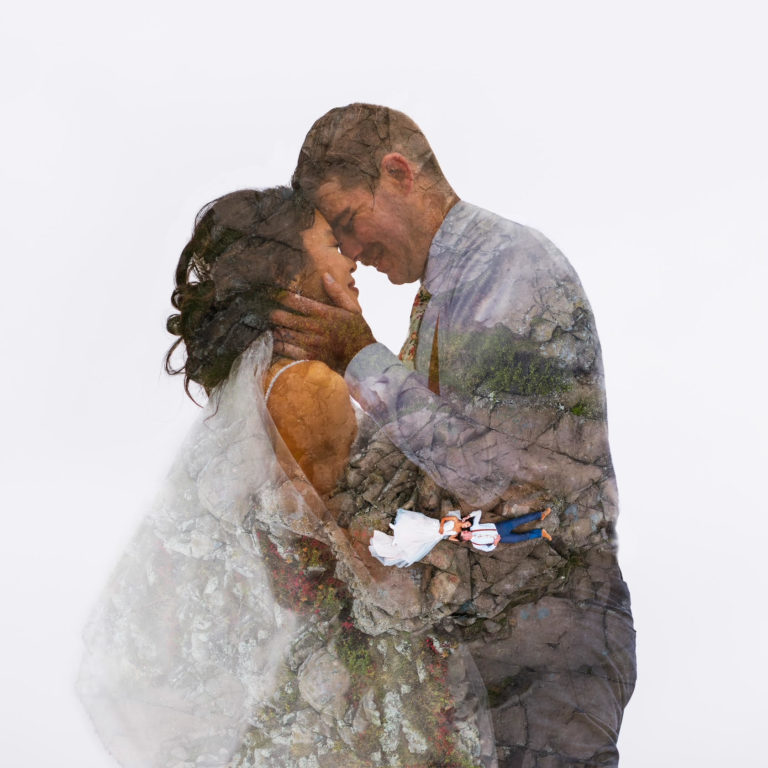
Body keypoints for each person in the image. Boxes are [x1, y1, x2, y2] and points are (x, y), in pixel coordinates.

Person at [77, 187, 497, 768]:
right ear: (287, 272)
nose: (351, 260)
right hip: (366, 674)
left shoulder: (259, 386)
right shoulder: (309, 388)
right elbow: (348, 551)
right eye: (331, 243)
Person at [272, 104, 637, 767]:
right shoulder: (445, 288)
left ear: (398, 173)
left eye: (351, 223)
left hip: (544, 634)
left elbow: (486, 466)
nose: (353, 251)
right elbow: (428, 462)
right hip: (490, 635)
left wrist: (360, 357)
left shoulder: (510, 267)